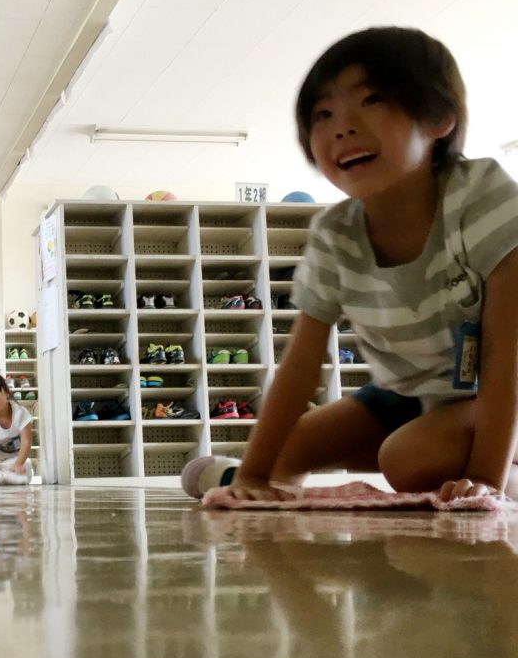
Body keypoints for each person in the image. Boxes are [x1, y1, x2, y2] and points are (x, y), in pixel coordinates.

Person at [182, 26, 518, 503]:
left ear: (438, 117)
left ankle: (506, 473)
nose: (342, 126)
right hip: (403, 396)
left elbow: (507, 353)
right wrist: (255, 477)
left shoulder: (480, 196)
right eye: (323, 113)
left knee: (407, 459)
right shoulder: (335, 234)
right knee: (283, 451)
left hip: (499, 398)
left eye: (373, 99)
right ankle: (236, 474)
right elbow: (299, 368)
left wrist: (485, 482)